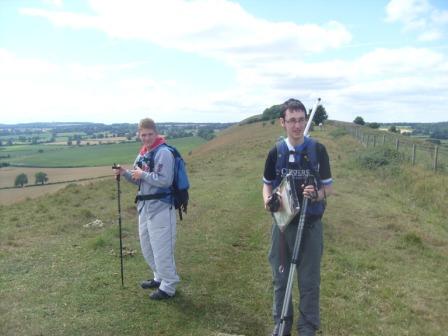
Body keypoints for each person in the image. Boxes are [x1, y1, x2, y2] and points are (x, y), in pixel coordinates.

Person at [262, 99, 333, 336]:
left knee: (309, 280)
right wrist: (268, 200)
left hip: (311, 225)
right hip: (283, 227)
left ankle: (307, 328)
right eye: (291, 120)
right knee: (281, 279)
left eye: (301, 119)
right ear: (283, 122)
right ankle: (282, 324)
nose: (297, 125)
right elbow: (266, 184)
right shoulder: (276, 152)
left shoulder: (317, 150)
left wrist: (316, 194)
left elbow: (328, 189)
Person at [114, 118, 180, 300]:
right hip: (144, 207)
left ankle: (169, 286)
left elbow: (165, 180)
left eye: (150, 134)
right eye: (143, 134)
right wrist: (124, 173)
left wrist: (142, 174)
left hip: (161, 207)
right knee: (147, 247)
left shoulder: (164, 153)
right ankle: (158, 277)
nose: (147, 138)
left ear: (156, 133)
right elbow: (137, 179)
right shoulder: (143, 153)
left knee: (162, 249)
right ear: (139, 134)